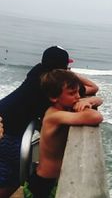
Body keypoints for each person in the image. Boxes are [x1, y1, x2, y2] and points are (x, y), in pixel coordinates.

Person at [0, 46, 98, 198]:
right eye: (67, 66)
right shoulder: (52, 87)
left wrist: (66, 74)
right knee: (10, 178)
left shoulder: (38, 73)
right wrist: (69, 75)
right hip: (8, 129)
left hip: (5, 117)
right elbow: (93, 88)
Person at [24, 70, 102, 198]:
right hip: (44, 183)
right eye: (72, 93)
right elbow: (96, 117)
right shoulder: (54, 115)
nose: (78, 96)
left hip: (55, 179)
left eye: (78, 92)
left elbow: (97, 97)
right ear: (54, 98)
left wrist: (89, 101)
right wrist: (86, 105)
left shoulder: (65, 105)